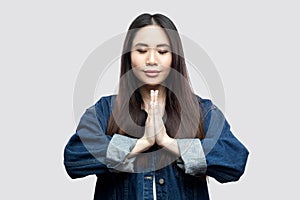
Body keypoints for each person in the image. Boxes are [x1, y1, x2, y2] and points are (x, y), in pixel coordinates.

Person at [64, 13, 249, 200]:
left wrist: (169, 143)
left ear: (174, 57)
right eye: (142, 51)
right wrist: (140, 144)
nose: (152, 60)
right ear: (129, 56)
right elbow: (74, 158)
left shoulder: (203, 111)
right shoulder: (105, 110)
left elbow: (235, 160)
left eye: (162, 52)